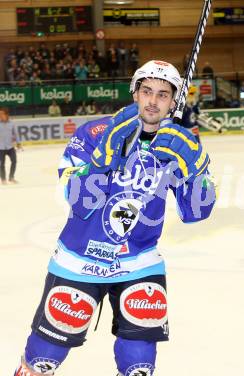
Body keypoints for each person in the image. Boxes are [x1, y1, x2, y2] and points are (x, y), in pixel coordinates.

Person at [14, 60, 216, 376]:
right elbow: (74, 197)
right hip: (79, 259)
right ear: (134, 93)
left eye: (163, 94)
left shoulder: (177, 143)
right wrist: (101, 162)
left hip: (139, 262)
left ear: (174, 102)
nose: (153, 100)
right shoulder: (95, 132)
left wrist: (197, 168)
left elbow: (196, 212)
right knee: (43, 358)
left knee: (138, 365)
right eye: (146, 91)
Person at [0, 107, 21, 184]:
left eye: (2, 114)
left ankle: (11, 177)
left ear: (6, 114)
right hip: (0, 148)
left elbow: (15, 134)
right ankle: (3, 179)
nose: (0, 115)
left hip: (10, 147)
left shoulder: (12, 123)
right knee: (1, 164)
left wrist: (18, 143)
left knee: (14, 161)